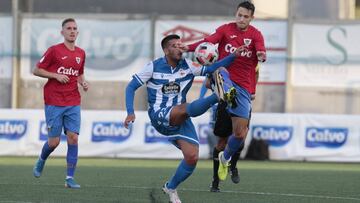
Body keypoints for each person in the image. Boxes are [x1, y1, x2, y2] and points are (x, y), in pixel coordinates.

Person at [124, 34, 242, 203]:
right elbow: (130, 87)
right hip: (160, 114)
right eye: (174, 45)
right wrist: (130, 111)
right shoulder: (153, 67)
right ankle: (218, 97)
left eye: (180, 44)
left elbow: (211, 68)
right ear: (166, 50)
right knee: (185, 108)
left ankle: (170, 187)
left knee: (192, 157)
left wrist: (233, 56)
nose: (179, 48)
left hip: (182, 116)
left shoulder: (188, 65)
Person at [182, 1, 266, 183]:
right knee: (219, 70)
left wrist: (261, 55)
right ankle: (224, 92)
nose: (241, 19)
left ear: (251, 18)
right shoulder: (225, 30)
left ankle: (226, 158)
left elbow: (260, 50)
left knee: (240, 134)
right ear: (236, 14)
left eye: (245, 16)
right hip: (224, 79)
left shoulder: (256, 35)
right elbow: (207, 42)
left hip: (242, 89)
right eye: (239, 15)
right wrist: (187, 47)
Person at [32, 18, 88, 189]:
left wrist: (83, 82)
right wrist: (56, 75)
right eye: (68, 28)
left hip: (73, 100)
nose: (72, 31)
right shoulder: (54, 51)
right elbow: (36, 70)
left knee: (73, 138)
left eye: (74, 28)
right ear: (62, 32)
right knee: (54, 142)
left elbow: (79, 74)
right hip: (54, 101)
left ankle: (69, 178)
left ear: (77, 32)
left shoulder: (81, 53)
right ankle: (41, 159)